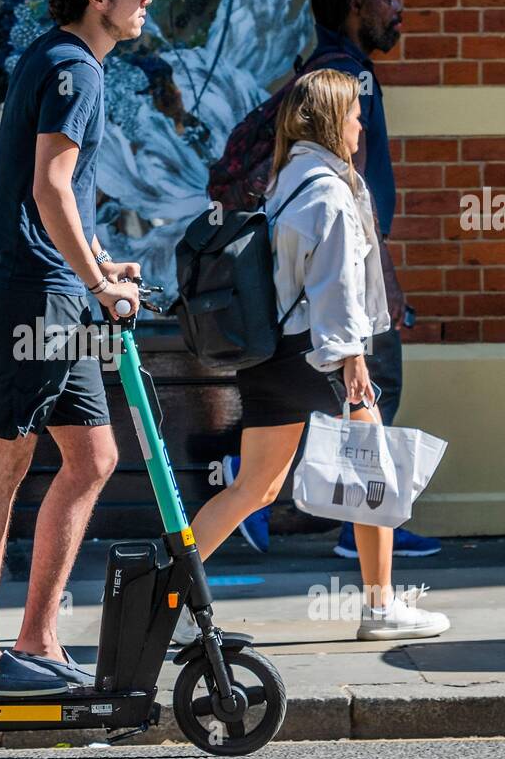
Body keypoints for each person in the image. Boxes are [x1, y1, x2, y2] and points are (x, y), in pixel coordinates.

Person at [0, 0, 169, 695]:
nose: (146, 0)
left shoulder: (56, 57)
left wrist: (100, 268)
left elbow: (50, 198)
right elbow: (51, 187)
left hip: (54, 291)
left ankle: (36, 635)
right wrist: (99, 284)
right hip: (35, 298)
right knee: (1, 467)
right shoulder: (76, 68)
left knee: (94, 458)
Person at [180, 69, 450, 643]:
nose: (360, 124)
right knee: (373, 473)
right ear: (330, 120)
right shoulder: (329, 189)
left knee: (252, 489)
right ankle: (380, 608)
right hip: (318, 352)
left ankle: (169, 596)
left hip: (272, 356)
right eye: (353, 114)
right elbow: (334, 285)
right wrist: (352, 357)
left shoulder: (287, 180)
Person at [222, 0, 442, 560]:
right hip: (334, 306)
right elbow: (355, 205)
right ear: (356, 4)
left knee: (268, 464)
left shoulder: (316, 72)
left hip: (290, 327)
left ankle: (204, 542)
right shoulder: (345, 81)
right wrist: (387, 287)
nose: (398, 8)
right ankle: (362, 544)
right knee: (376, 389)